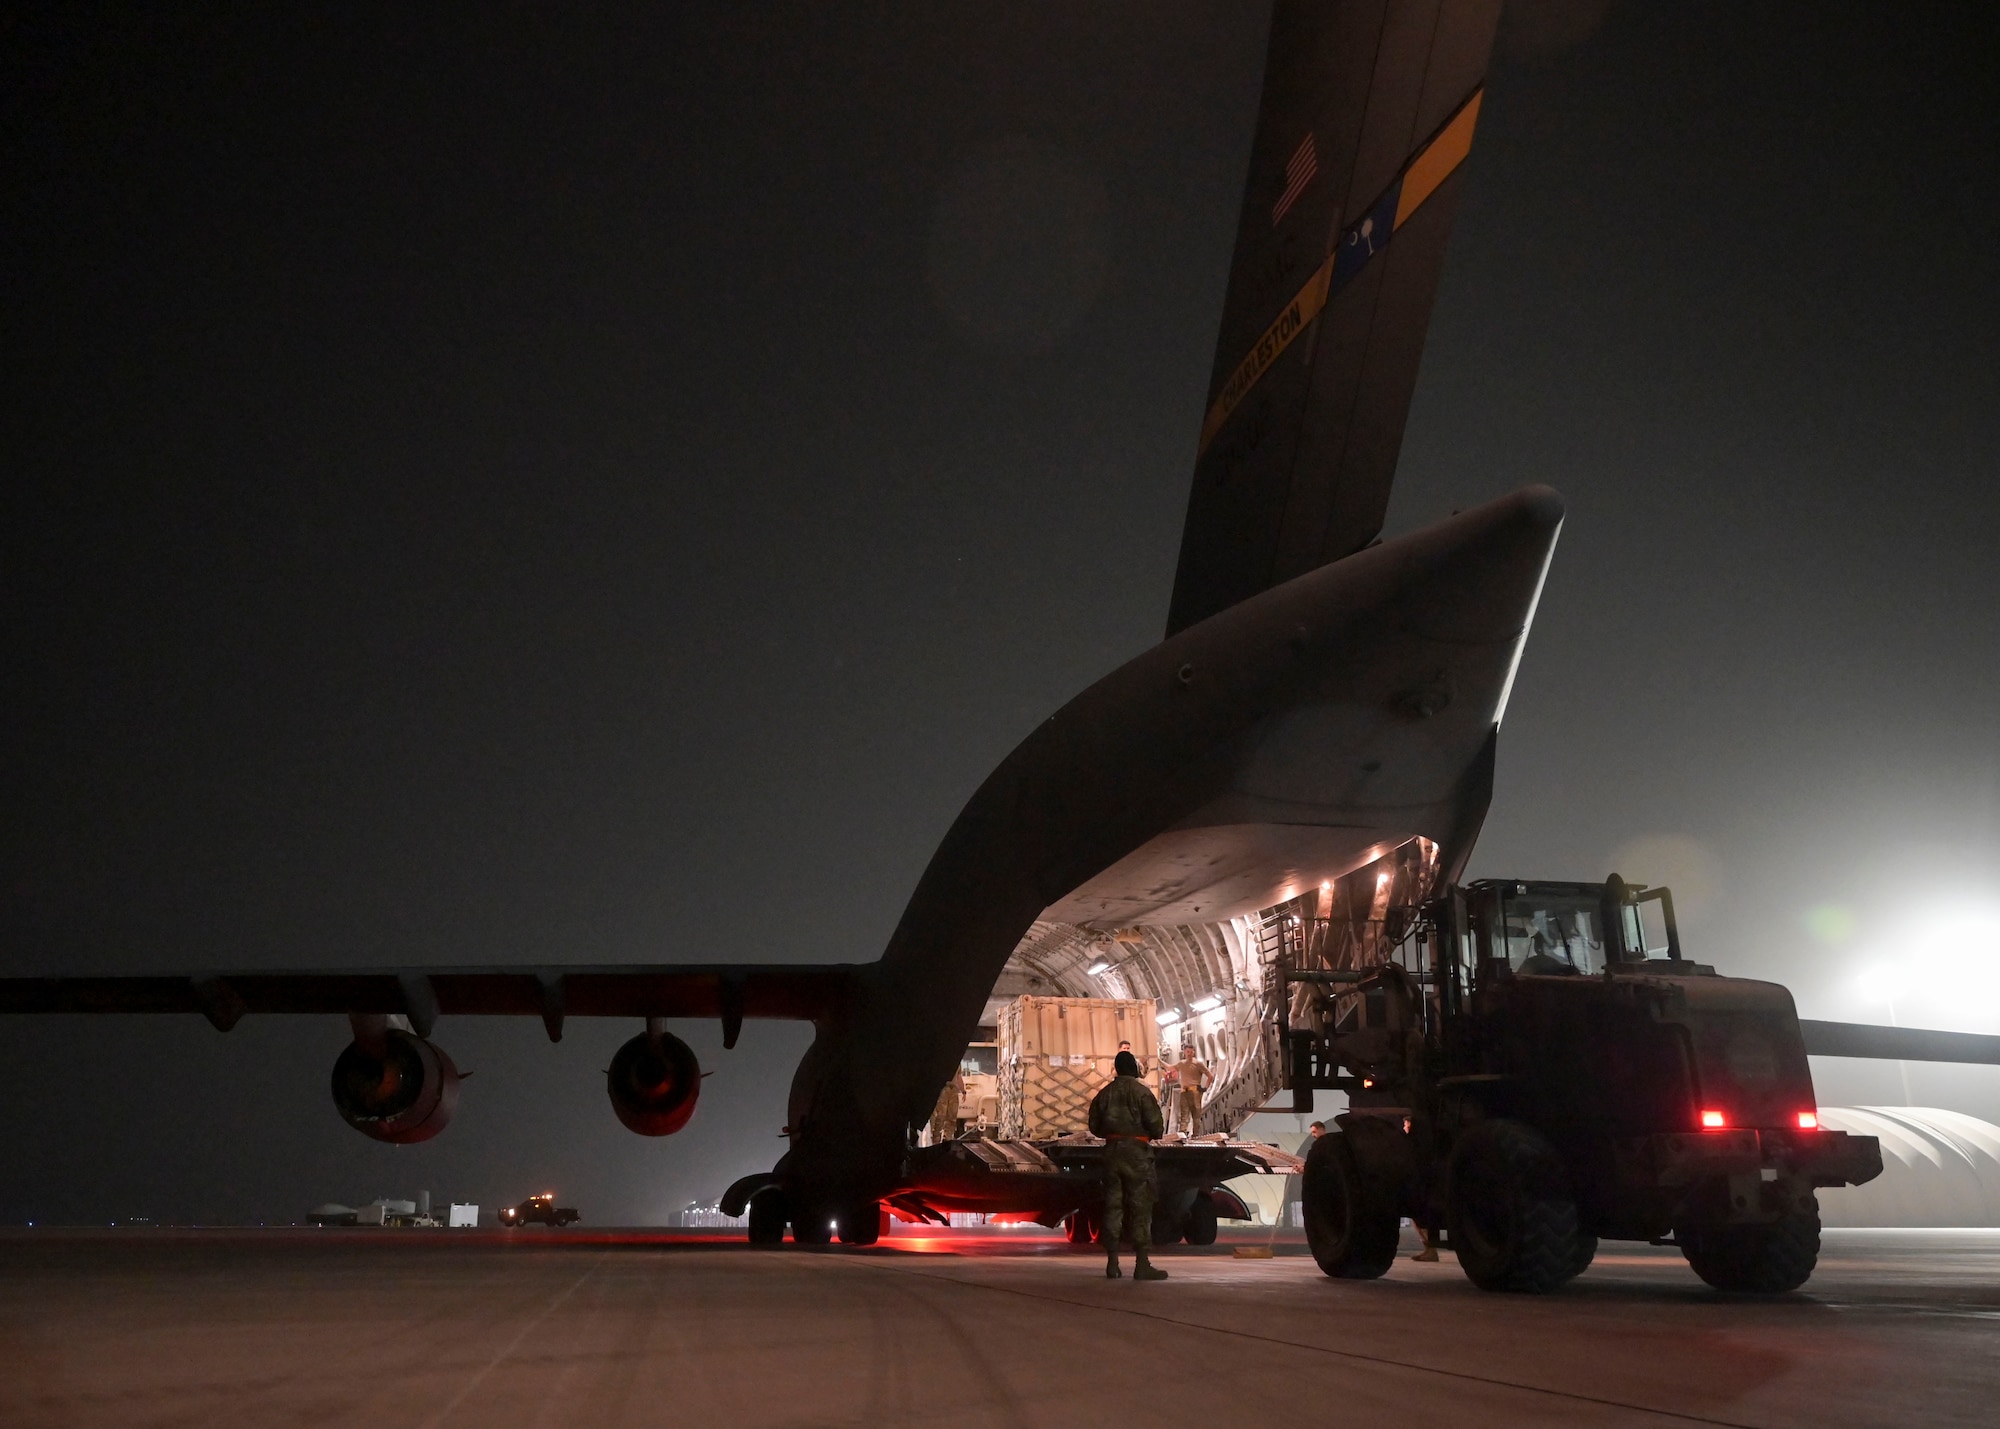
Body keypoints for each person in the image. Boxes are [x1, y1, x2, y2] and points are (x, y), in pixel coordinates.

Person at [1087, 1050, 1168, 1281]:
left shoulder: (1104, 1094)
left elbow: (1094, 1127)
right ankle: (1142, 1264)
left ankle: (1112, 1263)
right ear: (1134, 1068)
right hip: (1137, 1154)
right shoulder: (1142, 1092)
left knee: (1113, 1206)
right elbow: (1156, 1127)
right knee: (1140, 1207)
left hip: (1111, 1153)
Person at [1172, 1045, 1209, 1136]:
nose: (1189, 1054)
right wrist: (1159, 1061)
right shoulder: (1181, 1064)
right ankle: (1183, 1133)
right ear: (1184, 1052)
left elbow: (1210, 1076)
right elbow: (1170, 1068)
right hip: (1184, 1091)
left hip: (1195, 1092)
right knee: (1184, 1114)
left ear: (1194, 1052)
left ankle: (1196, 1134)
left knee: (1196, 1115)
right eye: (1188, 1052)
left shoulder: (1198, 1064)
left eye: (1191, 1052)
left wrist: (1205, 1088)